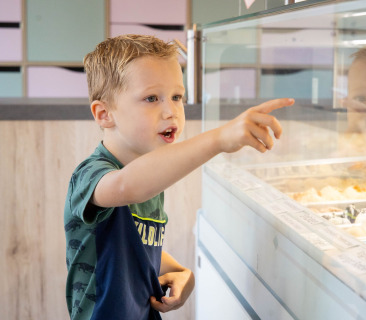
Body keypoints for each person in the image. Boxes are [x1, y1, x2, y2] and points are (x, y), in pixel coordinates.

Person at [63, 34, 294, 320]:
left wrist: (180, 273)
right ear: (104, 114)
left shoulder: (151, 175)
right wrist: (218, 139)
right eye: (151, 98)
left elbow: (137, 250)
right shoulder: (92, 175)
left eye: (176, 97)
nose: (171, 111)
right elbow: (128, 185)